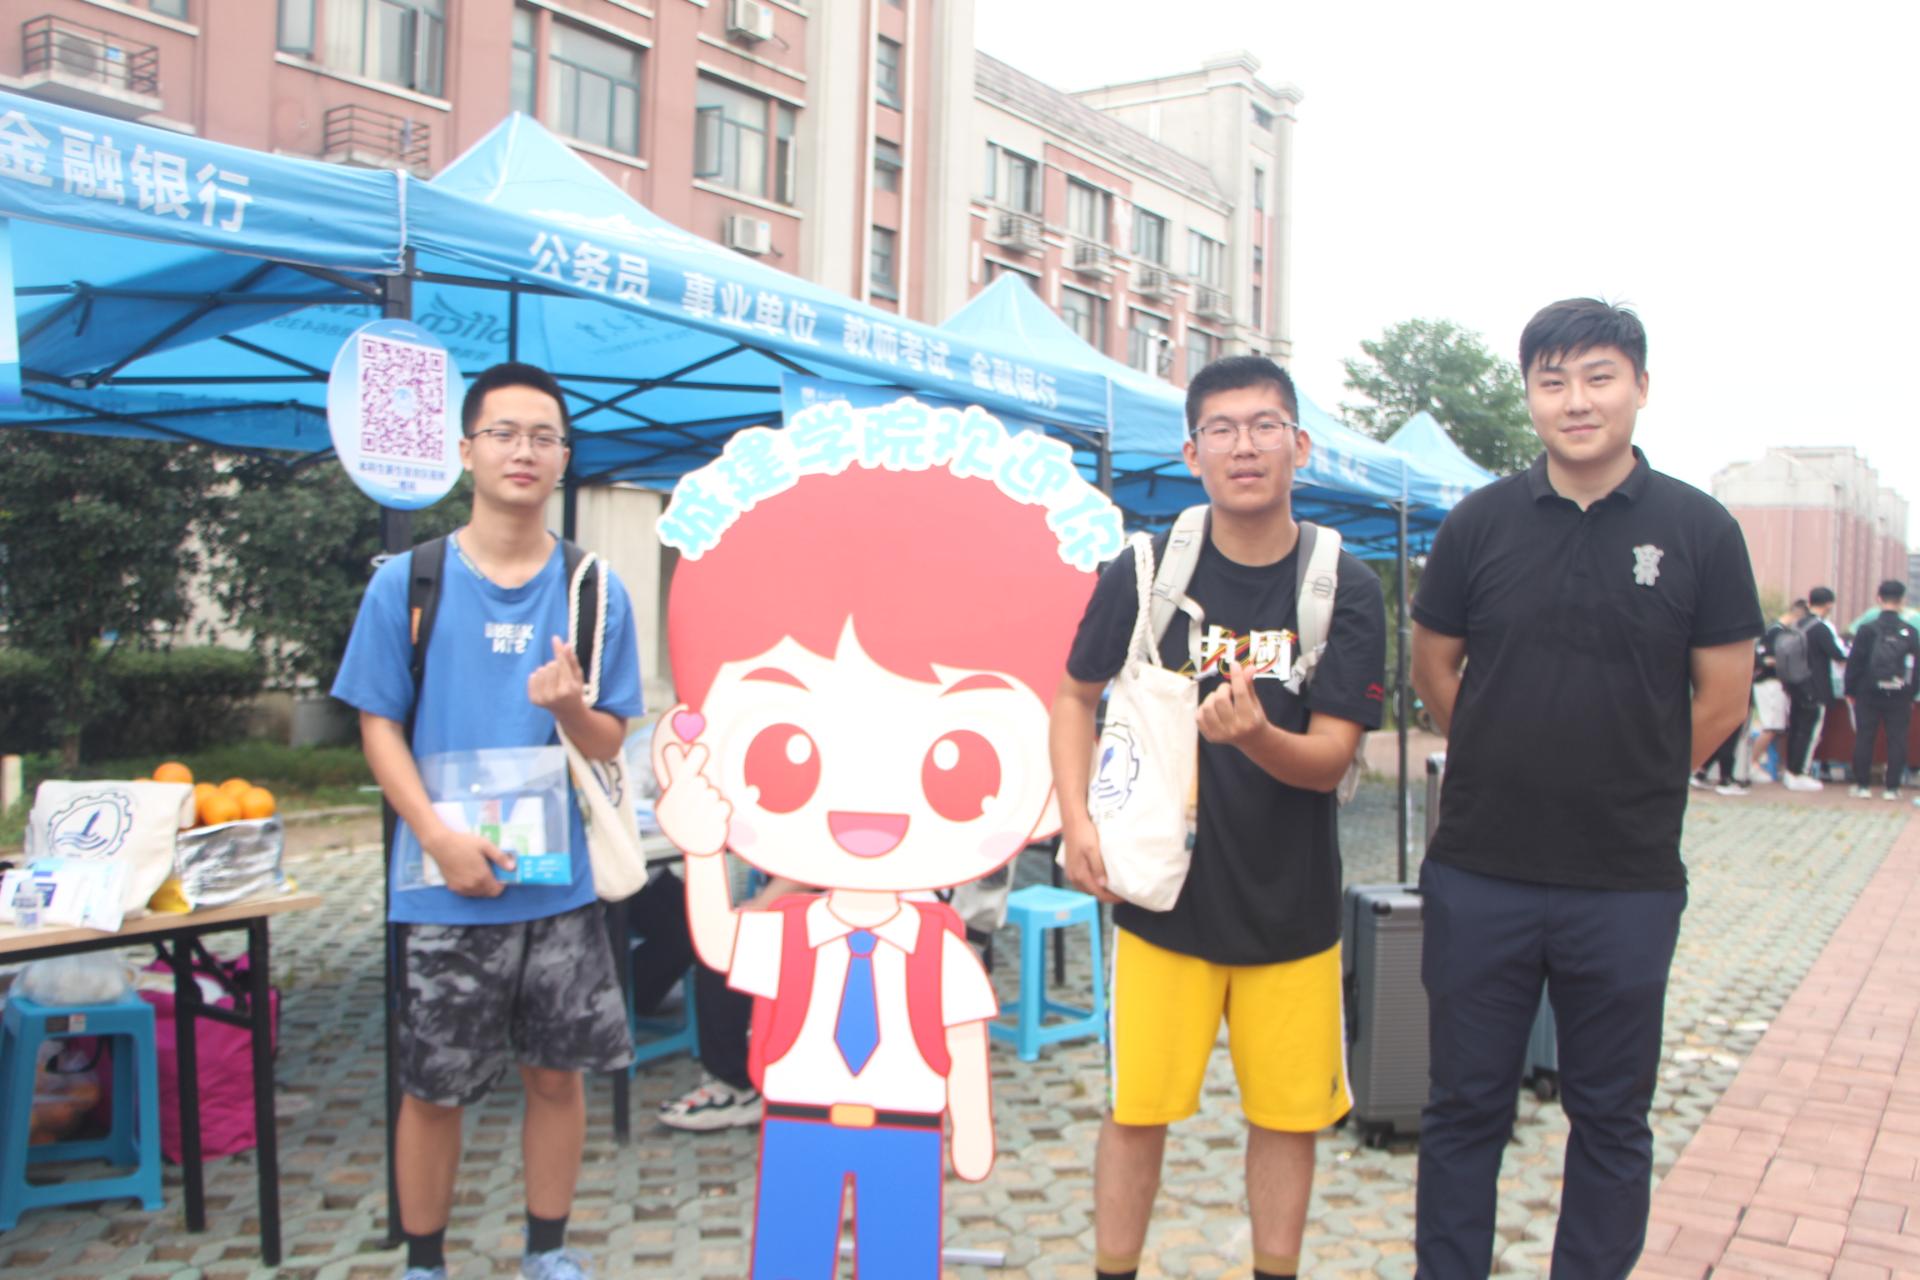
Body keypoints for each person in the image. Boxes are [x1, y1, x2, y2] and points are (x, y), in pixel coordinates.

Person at [650, 456, 1099, 1279]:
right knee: (791, 1256)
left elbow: (963, 1038)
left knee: (898, 1256)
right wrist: (703, 849)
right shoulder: (798, 930)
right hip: (799, 1123)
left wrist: (972, 1125)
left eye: (955, 762)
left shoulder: (939, 946)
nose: (871, 808)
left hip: (906, 1130)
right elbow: (717, 942)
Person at [1410, 299, 1760, 1278]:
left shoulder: (1700, 529)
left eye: (1599, 377)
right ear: (1530, 394)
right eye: (1552, 380)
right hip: (1481, 870)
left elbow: (1723, 699)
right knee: (1463, 1105)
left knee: (1610, 1113)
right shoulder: (1481, 522)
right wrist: (1504, 748)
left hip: (1625, 879)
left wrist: (1630, 775)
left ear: (1640, 386)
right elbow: (1435, 667)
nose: (1576, 400)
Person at [1052, 355, 1388, 1280]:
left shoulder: (1343, 585)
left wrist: (1257, 740)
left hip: (1293, 907)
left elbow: (1331, 759)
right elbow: (1074, 697)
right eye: (1224, 430)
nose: (1246, 447)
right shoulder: (1146, 569)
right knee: (1136, 1110)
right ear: (1192, 453)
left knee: (1287, 1118)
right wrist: (1076, 823)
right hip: (1161, 899)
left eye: (1266, 426)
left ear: (1300, 446)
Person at [332, 363, 644, 1280]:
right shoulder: (409, 583)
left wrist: (568, 706)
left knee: (557, 1075)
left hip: (559, 887)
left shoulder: (595, 590)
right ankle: (425, 1262)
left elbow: (610, 738)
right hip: (444, 883)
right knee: (433, 1088)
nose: (523, 451)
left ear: (564, 459)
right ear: (466, 451)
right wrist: (435, 837)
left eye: (543, 437)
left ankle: (547, 1250)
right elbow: (378, 724)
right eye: (503, 433)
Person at [625, 867, 802, 1130]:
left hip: (826, 910)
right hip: (806, 901)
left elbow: (813, 864)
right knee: (709, 933)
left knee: (721, 948)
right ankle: (736, 1082)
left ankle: (736, 1086)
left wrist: (760, 905)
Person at [1844, 580, 1918, 799]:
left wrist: (1850, 690)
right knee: (1897, 739)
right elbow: (1916, 666)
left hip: (1868, 692)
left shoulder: (1867, 629)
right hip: (1899, 693)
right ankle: (1892, 788)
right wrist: (1911, 692)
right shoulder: (1910, 631)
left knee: (1865, 737)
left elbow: (1854, 663)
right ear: (1902, 601)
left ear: (1879, 599)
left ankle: (1863, 786)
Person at [1782, 585, 1849, 791]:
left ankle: (1790, 771)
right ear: (1829, 604)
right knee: (1809, 731)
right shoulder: (1821, 628)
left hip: (1795, 684)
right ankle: (1800, 773)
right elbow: (1838, 654)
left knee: (1796, 729)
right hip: (1815, 686)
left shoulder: (1797, 625)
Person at [1746, 600, 1807, 783]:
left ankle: (1780, 766)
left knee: (1780, 728)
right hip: (1769, 683)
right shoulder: (1776, 632)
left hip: (1776, 684)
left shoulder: (1780, 631)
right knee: (1771, 727)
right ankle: (1752, 764)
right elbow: (1765, 659)